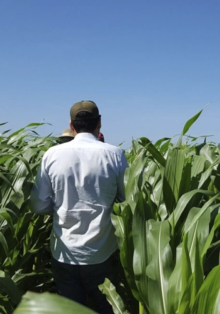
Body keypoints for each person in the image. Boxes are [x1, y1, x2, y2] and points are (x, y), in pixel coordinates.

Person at [30, 100, 128, 313]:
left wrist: (59, 208)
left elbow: (38, 205)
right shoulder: (115, 155)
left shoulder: (52, 155)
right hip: (102, 252)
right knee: (106, 306)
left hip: (64, 252)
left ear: (71, 125)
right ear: (99, 123)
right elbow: (125, 200)